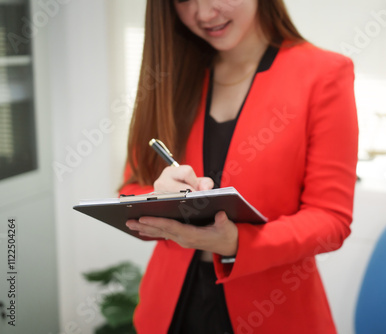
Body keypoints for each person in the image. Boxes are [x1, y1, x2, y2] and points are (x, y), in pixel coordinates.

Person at [120, 0, 358, 333]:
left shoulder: (324, 73)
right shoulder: (169, 73)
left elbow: (331, 220)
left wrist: (237, 243)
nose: (203, 14)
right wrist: (157, 196)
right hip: (171, 310)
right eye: (184, 0)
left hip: (274, 311)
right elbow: (132, 188)